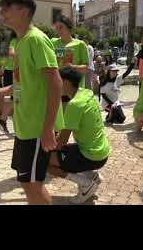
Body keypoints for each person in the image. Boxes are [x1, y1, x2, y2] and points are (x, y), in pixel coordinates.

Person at [0, 0, 65, 205]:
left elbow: (56, 82)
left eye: (6, 8)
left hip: (37, 127)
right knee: (27, 183)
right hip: (25, 126)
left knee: (33, 184)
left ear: (23, 11)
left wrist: (48, 127)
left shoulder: (36, 40)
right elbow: (22, 85)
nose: (1, 12)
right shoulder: (21, 43)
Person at [47, 67, 111, 204]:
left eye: (57, 80)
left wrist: (44, 142)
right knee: (68, 151)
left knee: (46, 161)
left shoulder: (75, 104)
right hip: (102, 151)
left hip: (91, 155)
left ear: (66, 82)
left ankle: (86, 184)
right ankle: (92, 176)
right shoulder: (87, 93)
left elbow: (61, 142)